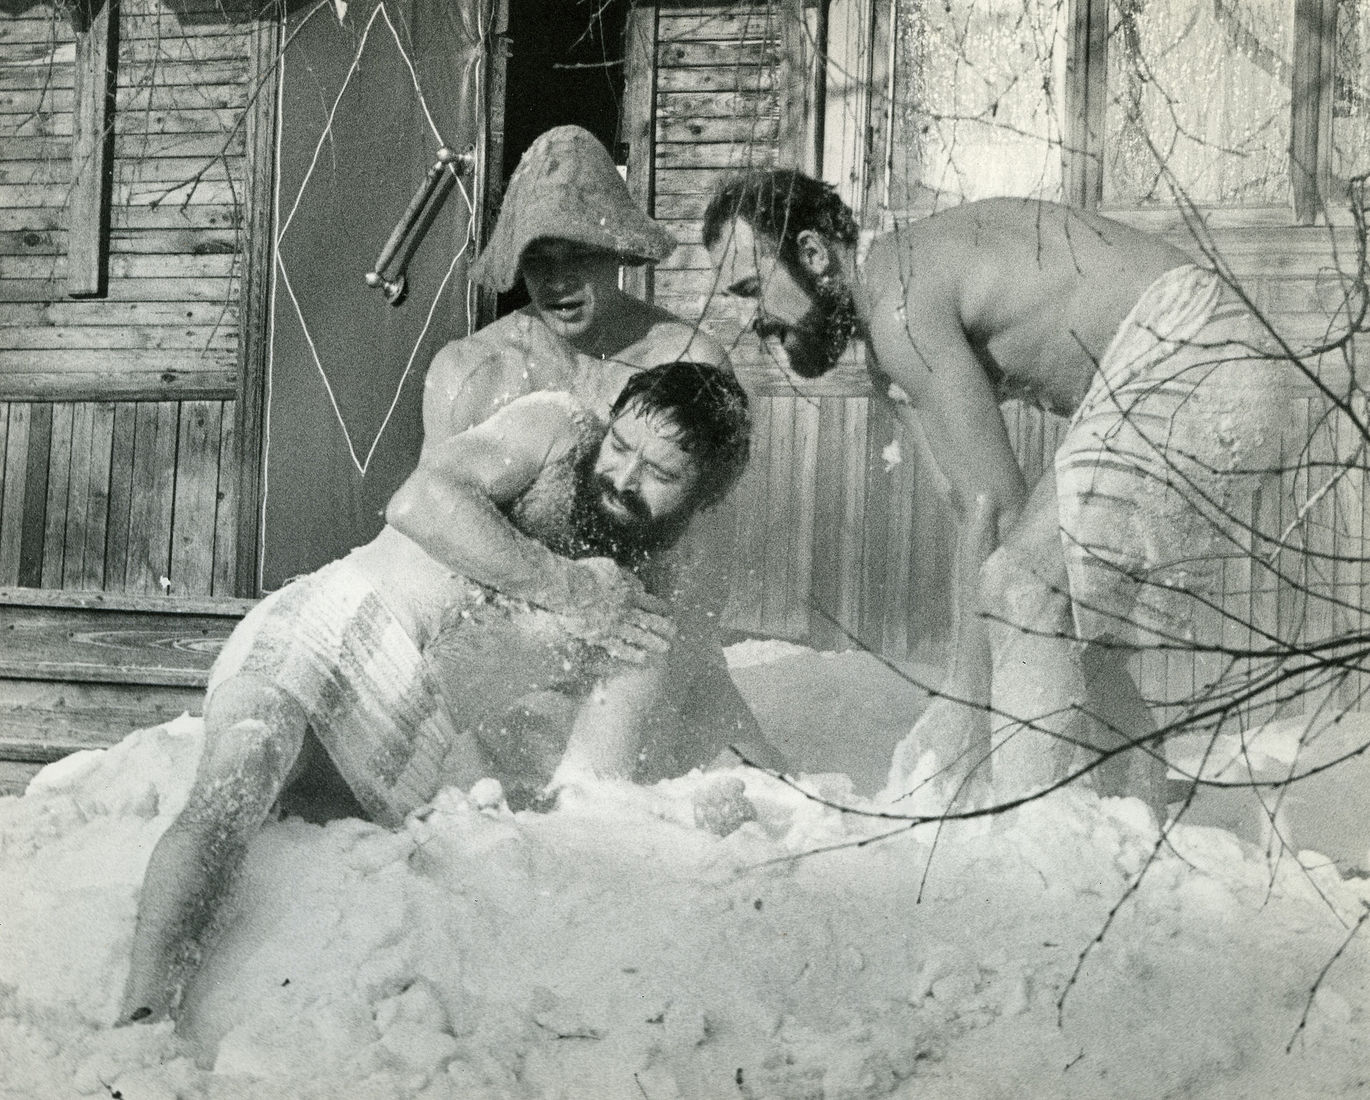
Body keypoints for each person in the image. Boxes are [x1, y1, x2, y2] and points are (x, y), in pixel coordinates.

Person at [119, 361, 755, 1026]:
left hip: (407, 742)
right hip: (336, 628)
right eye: (621, 446)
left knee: (307, 877)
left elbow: (591, 790)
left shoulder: (643, 610)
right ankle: (143, 1015)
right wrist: (568, 588)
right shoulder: (556, 431)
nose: (622, 478)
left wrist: (671, 817)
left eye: (660, 474)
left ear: (703, 497)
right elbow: (419, 502)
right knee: (242, 773)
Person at [703, 170, 1291, 809]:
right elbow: (974, 517)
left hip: (1199, 350)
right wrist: (966, 691)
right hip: (1203, 359)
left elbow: (1000, 513)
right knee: (1060, 630)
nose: (750, 321)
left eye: (751, 289)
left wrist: (966, 698)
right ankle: (1127, 820)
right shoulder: (890, 334)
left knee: (1025, 593)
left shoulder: (900, 302)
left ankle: (1033, 838)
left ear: (813, 253)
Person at [410, 123, 763, 760]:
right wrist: (564, 599)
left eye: (579, 254)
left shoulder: (687, 362)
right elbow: (436, 546)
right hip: (517, 658)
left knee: (766, 795)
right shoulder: (471, 373)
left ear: (616, 249)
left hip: (655, 656)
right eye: (538, 259)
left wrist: (662, 698)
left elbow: (704, 568)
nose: (558, 280)